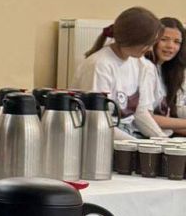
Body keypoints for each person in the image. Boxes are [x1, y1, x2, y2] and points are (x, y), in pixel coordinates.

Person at [70, 7, 161, 138]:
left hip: (127, 135)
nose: (151, 49)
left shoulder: (140, 63)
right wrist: (135, 144)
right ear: (132, 39)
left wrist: (162, 139)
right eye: (148, 43)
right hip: (100, 137)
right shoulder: (99, 65)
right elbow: (96, 121)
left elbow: (140, 112)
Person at [148, 16, 186, 134]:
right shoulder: (146, 69)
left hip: (164, 135)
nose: (170, 46)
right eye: (164, 39)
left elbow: (170, 120)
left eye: (176, 42)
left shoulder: (170, 72)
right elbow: (145, 117)